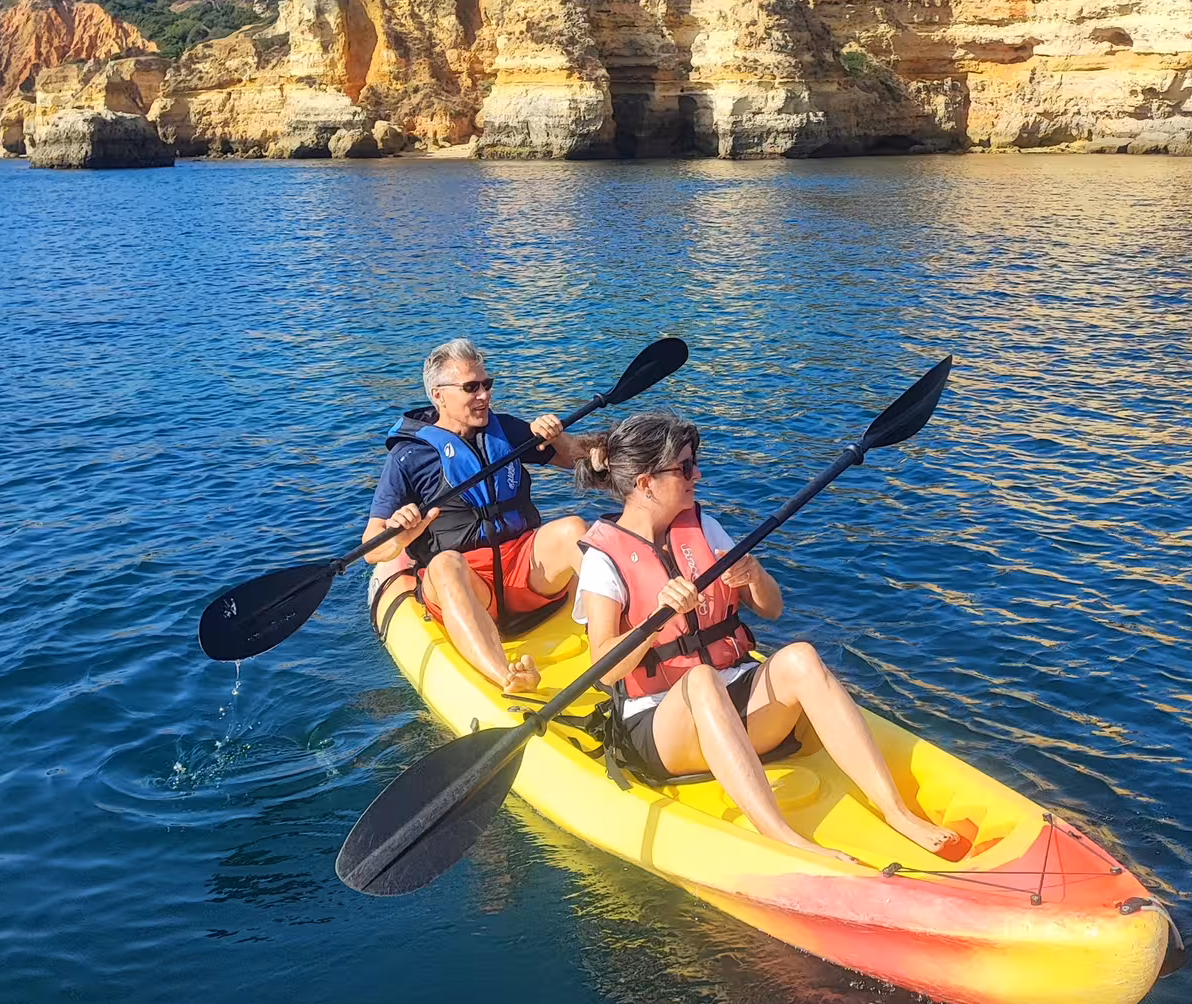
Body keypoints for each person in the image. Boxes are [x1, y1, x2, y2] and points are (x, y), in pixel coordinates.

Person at [572, 412, 966, 864]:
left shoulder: (702, 526)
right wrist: (654, 624)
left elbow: (772, 609)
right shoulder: (604, 560)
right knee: (700, 680)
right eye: (684, 467)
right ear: (645, 483)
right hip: (660, 726)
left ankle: (896, 811)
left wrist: (754, 575)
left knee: (799, 656)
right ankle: (780, 835)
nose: (696, 473)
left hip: (731, 698)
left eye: (693, 462)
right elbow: (602, 668)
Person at [365, 339, 590, 694]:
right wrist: (401, 535)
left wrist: (559, 438)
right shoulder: (409, 457)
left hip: (524, 572)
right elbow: (371, 547)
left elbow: (581, 459)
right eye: (471, 387)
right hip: (471, 584)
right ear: (438, 395)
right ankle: (508, 677)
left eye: (487, 384)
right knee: (444, 565)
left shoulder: (505, 431)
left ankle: (633, 631)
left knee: (573, 529)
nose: (484, 395)